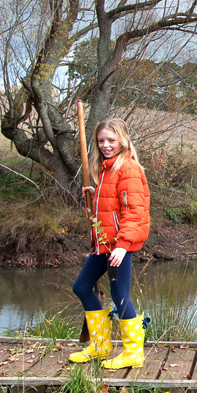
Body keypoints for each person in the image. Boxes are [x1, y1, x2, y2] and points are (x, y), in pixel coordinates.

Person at [69, 118, 151, 369]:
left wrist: (122, 244)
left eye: (111, 140)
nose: (105, 145)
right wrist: (94, 198)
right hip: (105, 242)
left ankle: (133, 352)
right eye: (101, 141)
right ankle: (101, 346)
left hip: (118, 245)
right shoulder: (107, 167)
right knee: (82, 286)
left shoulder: (128, 168)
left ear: (123, 141)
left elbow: (135, 211)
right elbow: (113, 204)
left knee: (119, 294)